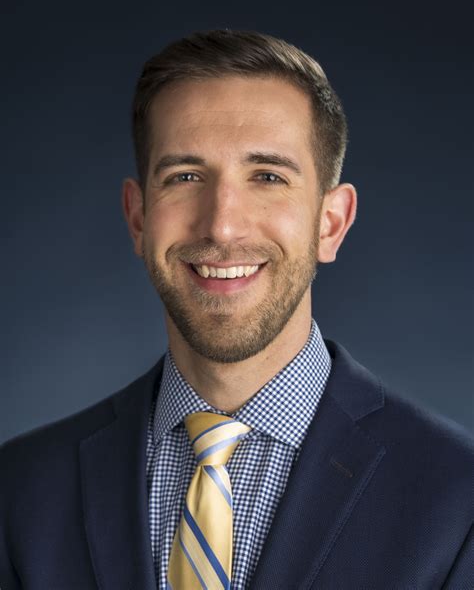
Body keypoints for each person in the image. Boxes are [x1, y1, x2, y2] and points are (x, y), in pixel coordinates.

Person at [1, 29, 472, 590]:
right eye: (185, 177)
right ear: (138, 218)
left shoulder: (458, 500)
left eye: (268, 177)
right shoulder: (19, 491)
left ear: (330, 223)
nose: (222, 225)